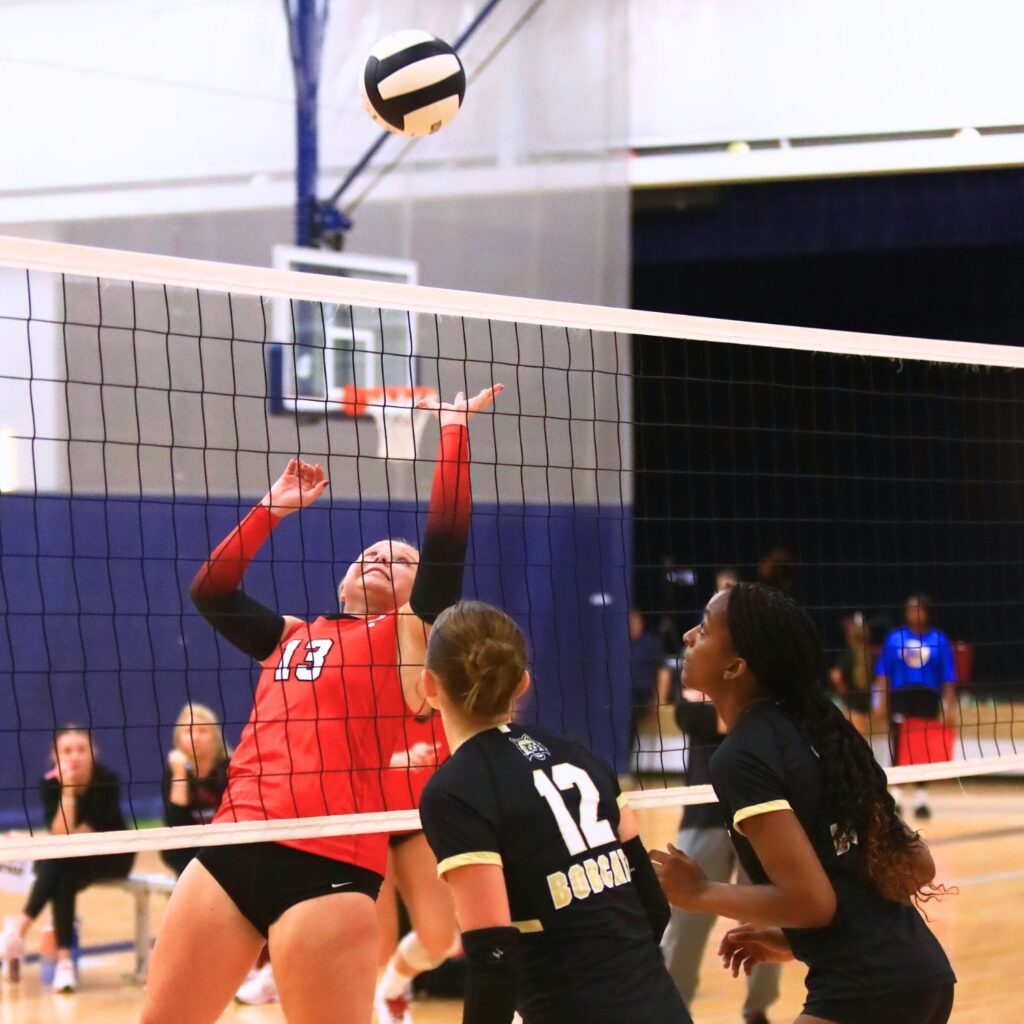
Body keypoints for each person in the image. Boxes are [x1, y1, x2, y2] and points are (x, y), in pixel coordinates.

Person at [138, 384, 501, 1024]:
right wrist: (270, 510)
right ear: (341, 580)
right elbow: (211, 591)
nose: (383, 558)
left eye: (401, 559)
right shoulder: (292, 635)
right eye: (371, 554)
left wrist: (453, 435)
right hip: (233, 841)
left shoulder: (410, 641)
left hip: (328, 863)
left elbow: (446, 549)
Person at [652, 583, 955, 1024]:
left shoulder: (740, 757)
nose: (688, 637)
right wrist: (798, 942)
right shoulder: (822, 727)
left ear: (736, 666)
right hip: (923, 979)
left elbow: (813, 902)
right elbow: (915, 865)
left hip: (862, 993)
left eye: (705, 627)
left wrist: (701, 893)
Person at [418, 599, 692, 1024]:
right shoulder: (579, 754)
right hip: (660, 1006)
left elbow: (493, 954)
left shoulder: (454, 791)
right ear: (522, 682)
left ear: (430, 686)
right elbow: (653, 907)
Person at [660, 687, 780, 1023]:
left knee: (766, 915)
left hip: (758, 813)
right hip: (703, 815)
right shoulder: (693, 683)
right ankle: (674, 1009)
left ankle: (758, 1010)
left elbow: (762, 724)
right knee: (685, 920)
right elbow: (703, 719)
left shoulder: (759, 672)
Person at [0, 726, 135, 993]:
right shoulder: (50, 784)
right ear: (55, 756)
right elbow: (63, 835)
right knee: (65, 873)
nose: (74, 757)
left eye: (81, 749)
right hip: (72, 861)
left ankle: (19, 930)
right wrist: (68, 792)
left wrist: (59, 833)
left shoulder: (107, 781)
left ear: (93, 753)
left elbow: (83, 834)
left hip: (112, 856)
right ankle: (64, 963)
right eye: (66, 751)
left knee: (60, 859)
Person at [374, 712, 460, 1024]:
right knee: (377, 946)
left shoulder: (448, 706)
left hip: (415, 821)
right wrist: (397, 760)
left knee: (441, 941)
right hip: (365, 821)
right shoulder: (373, 696)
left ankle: (392, 989)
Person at [876, 594, 957, 820]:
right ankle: (897, 796)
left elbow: (949, 677)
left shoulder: (939, 640)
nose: (915, 613)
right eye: (911, 609)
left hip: (928, 697)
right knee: (899, 744)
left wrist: (950, 707)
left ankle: (922, 799)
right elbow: (883, 674)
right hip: (901, 696)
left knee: (923, 749)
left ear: (927, 612)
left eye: (920, 609)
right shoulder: (895, 638)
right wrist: (880, 702)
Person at [160, 703, 230, 876]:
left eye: (203, 730)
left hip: (224, 846)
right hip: (188, 851)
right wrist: (179, 775)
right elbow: (175, 826)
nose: (195, 737)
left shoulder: (230, 769)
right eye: (189, 731)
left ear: (216, 737)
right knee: (174, 848)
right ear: (179, 739)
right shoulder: (174, 772)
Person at [628, 609, 664, 774]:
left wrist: (660, 700)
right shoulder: (618, 643)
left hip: (641, 697)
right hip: (622, 697)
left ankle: (624, 768)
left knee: (628, 719)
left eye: (635, 620)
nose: (632, 624)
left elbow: (664, 672)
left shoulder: (650, 642)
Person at [828, 613, 874, 738]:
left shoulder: (850, 655)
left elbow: (835, 675)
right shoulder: (870, 656)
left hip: (852, 708)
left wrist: (842, 692)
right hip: (866, 710)